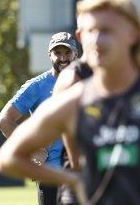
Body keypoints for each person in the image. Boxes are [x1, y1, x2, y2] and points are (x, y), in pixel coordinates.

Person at [0, 0, 140, 205]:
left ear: (133, 33)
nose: (97, 40)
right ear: (81, 37)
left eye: (107, 30)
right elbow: (8, 158)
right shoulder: (74, 97)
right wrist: (73, 180)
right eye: (91, 31)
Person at [0, 32, 78, 205]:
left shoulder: (89, 81)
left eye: (67, 53)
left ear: (76, 54)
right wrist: (32, 150)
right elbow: (4, 120)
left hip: (83, 174)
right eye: (58, 53)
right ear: (49, 55)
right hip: (51, 175)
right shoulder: (37, 85)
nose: (63, 58)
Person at [54, 57, 93, 205]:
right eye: (91, 31)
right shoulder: (71, 78)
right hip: (78, 184)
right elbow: (11, 157)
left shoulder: (136, 78)